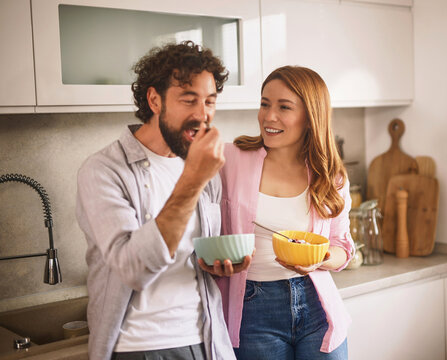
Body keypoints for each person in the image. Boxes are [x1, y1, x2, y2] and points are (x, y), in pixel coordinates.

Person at [76, 41, 250, 360]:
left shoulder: (204, 167)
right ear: (154, 99)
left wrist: (218, 265)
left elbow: (194, 254)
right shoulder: (102, 171)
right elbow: (133, 270)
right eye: (188, 100)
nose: (203, 115)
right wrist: (192, 179)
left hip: (207, 340)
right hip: (138, 347)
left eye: (210, 102)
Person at [201, 66, 354, 359]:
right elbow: (202, 227)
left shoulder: (330, 175)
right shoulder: (229, 159)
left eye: (284, 107)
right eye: (264, 104)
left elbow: (343, 247)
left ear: (310, 117)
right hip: (253, 309)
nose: (269, 116)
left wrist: (317, 258)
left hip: (317, 306)